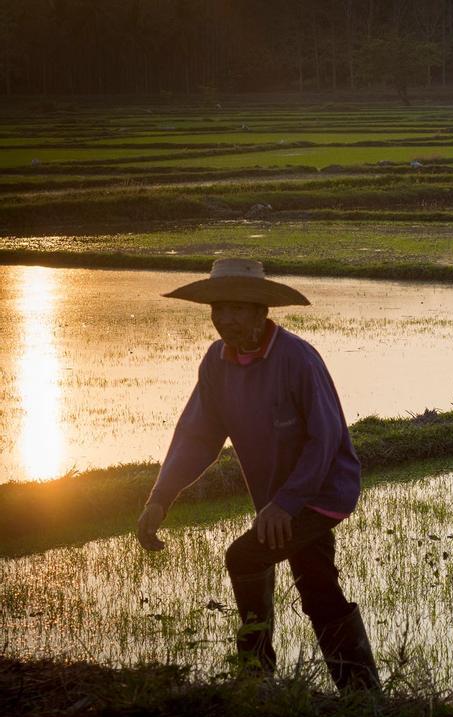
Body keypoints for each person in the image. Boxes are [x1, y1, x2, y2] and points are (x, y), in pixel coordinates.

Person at [135, 257, 379, 691]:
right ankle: (363, 695)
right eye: (218, 310)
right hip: (277, 501)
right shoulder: (216, 364)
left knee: (245, 556)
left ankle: (255, 677)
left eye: (236, 309)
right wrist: (160, 497)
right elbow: (197, 436)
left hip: (321, 492)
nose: (225, 319)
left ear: (261, 312)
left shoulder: (298, 359)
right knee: (317, 586)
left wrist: (285, 503)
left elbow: (324, 441)